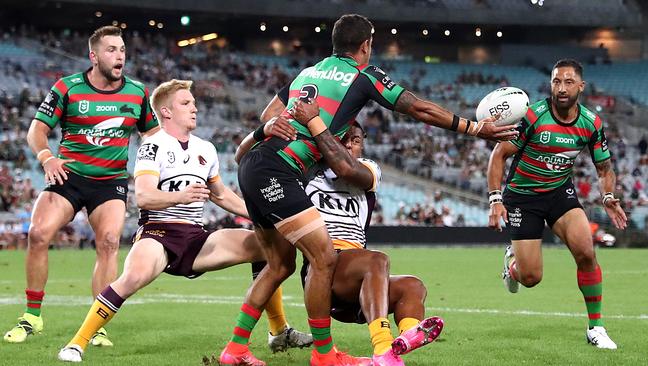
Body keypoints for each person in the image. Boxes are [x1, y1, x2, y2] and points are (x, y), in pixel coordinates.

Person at [219, 13, 517, 366]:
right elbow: (418, 108)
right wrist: (473, 128)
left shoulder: (307, 73)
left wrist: (274, 127)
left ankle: (235, 349)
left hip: (253, 164)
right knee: (324, 257)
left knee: (279, 264)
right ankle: (324, 355)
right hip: (279, 170)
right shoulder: (362, 74)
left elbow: (270, 113)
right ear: (366, 46)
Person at [56, 79, 308, 363]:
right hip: (158, 234)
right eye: (186, 103)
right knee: (132, 278)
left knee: (266, 246)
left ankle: (278, 331)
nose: (195, 108)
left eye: (194, 103)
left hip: (196, 237)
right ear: (166, 112)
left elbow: (221, 194)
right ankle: (76, 344)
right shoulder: (153, 146)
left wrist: (264, 212)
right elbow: (145, 197)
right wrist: (182, 196)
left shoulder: (206, 148)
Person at [240, 115, 444, 366]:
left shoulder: (369, 169)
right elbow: (246, 159)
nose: (349, 145)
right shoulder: (305, 172)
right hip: (323, 268)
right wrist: (263, 131)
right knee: (377, 260)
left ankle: (404, 339)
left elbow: (347, 169)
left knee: (413, 286)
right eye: (344, 139)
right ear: (329, 139)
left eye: (356, 140)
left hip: (358, 278)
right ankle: (382, 346)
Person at [4, 26, 160, 345]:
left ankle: (96, 324)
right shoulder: (67, 88)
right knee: (37, 234)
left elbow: (154, 136)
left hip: (110, 182)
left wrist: (153, 168)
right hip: (69, 177)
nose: (119, 56)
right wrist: (48, 158)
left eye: (122, 50)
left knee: (108, 242)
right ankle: (32, 316)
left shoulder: (138, 92)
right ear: (94, 56)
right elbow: (36, 131)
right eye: (111, 50)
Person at [487, 59, 627, 349]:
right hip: (524, 199)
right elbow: (498, 155)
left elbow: (604, 169)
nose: (561, 88)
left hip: (559, 193)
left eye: (567, 82)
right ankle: (512, 267)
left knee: (586, 252)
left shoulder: (591, 123)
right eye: (556, 82)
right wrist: (495, 198)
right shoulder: (534, 116)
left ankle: (596, 328)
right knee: (531, 277)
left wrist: (608, 196)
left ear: (580, 86)